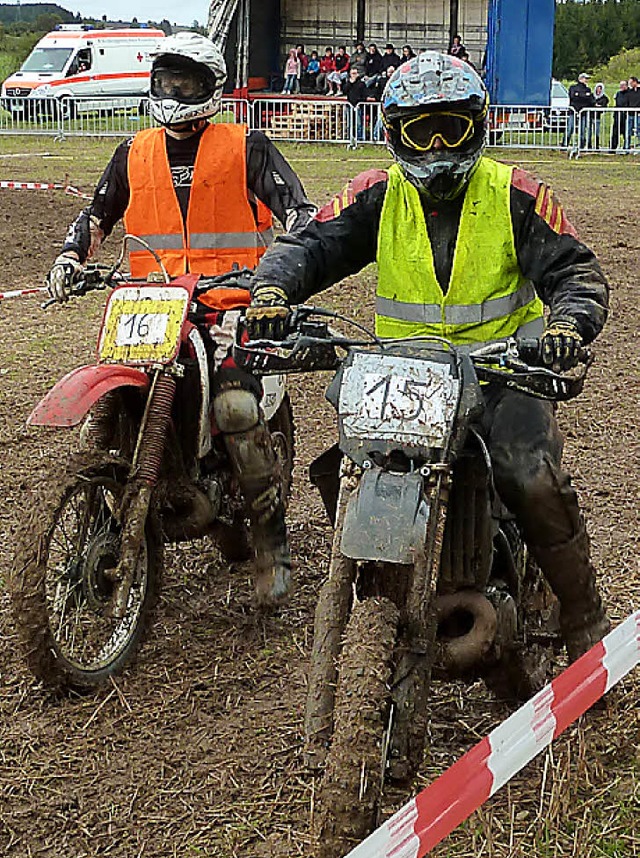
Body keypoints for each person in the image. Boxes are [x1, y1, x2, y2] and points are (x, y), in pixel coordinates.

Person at [248, 52, 611, 662]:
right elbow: (309, 245)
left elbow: (577, 270)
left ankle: (584, 619)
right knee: (345, 469)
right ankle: (389, 582)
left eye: (452, 127)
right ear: (394, 135)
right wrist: (273, 292)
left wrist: (569, 325)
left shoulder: (516, 194)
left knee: (531, 477)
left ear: (480, 126)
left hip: (502, 375)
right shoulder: (374, 196)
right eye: (422, 130)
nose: (438, 144)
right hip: (403, 380)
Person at [46, 32, 317, 608]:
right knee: (117, 391)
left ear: (210, 88)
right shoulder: (133, 152)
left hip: (230, 306)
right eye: (165, 81)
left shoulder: (247, 147)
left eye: (184, 83)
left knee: (235, 406)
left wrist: (278, 274)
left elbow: (301, 214)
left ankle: (271, 544)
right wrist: (72, 256)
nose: (172, 93)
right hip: (151, 304)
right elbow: (97, 214)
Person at [567, 72, 595, 149]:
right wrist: (584, 96)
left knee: (582, 130)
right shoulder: (573, 87)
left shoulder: (588, 89)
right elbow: (573, 97)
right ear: (580, 79)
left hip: (583, 112)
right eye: (585, 79)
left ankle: (581, 145)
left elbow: (590, 100)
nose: (586, 80)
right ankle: (565, 143)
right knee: (570, 128)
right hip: (573, 111)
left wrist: (579, 95)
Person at [610, 80, 629, 151]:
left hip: (626, 116)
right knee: (615, 132)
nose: (621, 86)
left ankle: (626, 147)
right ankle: (613, 148)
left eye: (623, 85)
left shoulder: (629, 93)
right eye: (621, 85)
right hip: (618, 115)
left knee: (626, 133)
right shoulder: (618, 93)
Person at [592, 82, 609, 150]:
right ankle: (589, 144)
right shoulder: (592, 96)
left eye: (600, 89)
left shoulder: (604, 98)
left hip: (597, 117)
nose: (598, 91)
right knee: (589, 131)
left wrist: (597, 106)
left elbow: (603, 106)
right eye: (597, 89)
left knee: (597, 132)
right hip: (590, 116)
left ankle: (596, 146)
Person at [625, 75, 640, 149]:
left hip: (638, 114)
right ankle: (626, 147)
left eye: (631, 82)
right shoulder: (629, 92)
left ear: (635, 82)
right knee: (628, 132)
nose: (630, 84)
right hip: (630, 114)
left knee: (638, 131)